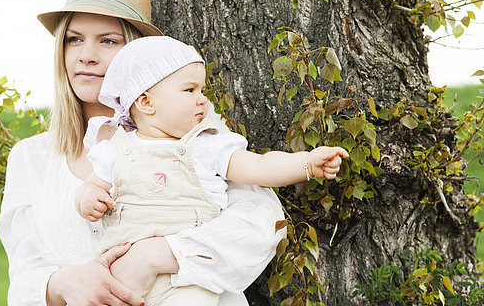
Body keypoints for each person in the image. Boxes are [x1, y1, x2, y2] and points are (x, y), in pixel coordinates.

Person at [0, 0, 287, 306]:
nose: (86, 56)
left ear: (138, 55)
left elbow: (262, 223)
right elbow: (24, 277)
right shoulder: (31, 158)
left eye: (108, 41)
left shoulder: (195, 135)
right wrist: (62, 284)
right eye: (74, 39)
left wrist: (153, 256)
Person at [75, 36, 348, 305]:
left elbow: (258, 166)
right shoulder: (116, 149)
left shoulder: (205, 145)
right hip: (121, 276)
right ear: (146, 103)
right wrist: (88, 198)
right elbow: (91, 185)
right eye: (189, 90)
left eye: (202, 91)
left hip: (183, 279)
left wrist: (306, 164)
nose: (202, 100)